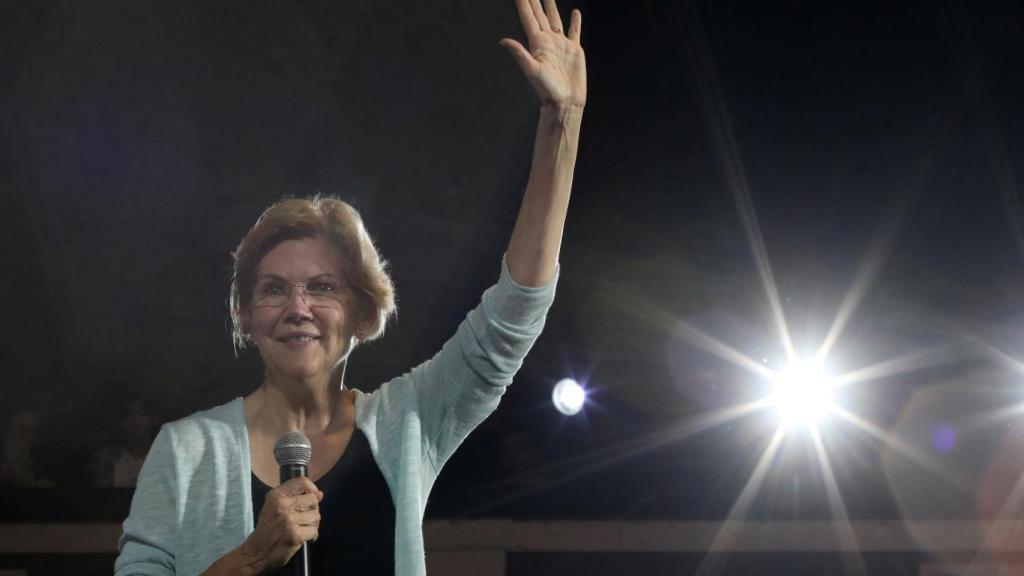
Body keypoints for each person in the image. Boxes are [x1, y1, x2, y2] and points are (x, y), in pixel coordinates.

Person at [115, 0, 586, 574]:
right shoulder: (184, 451)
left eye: (322, 287)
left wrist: (561, 119)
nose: (297, 308)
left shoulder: (408, 422)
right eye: (272, 290)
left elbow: (514, 314)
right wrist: (252, 556)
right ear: (246, 316)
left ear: (362, 312)